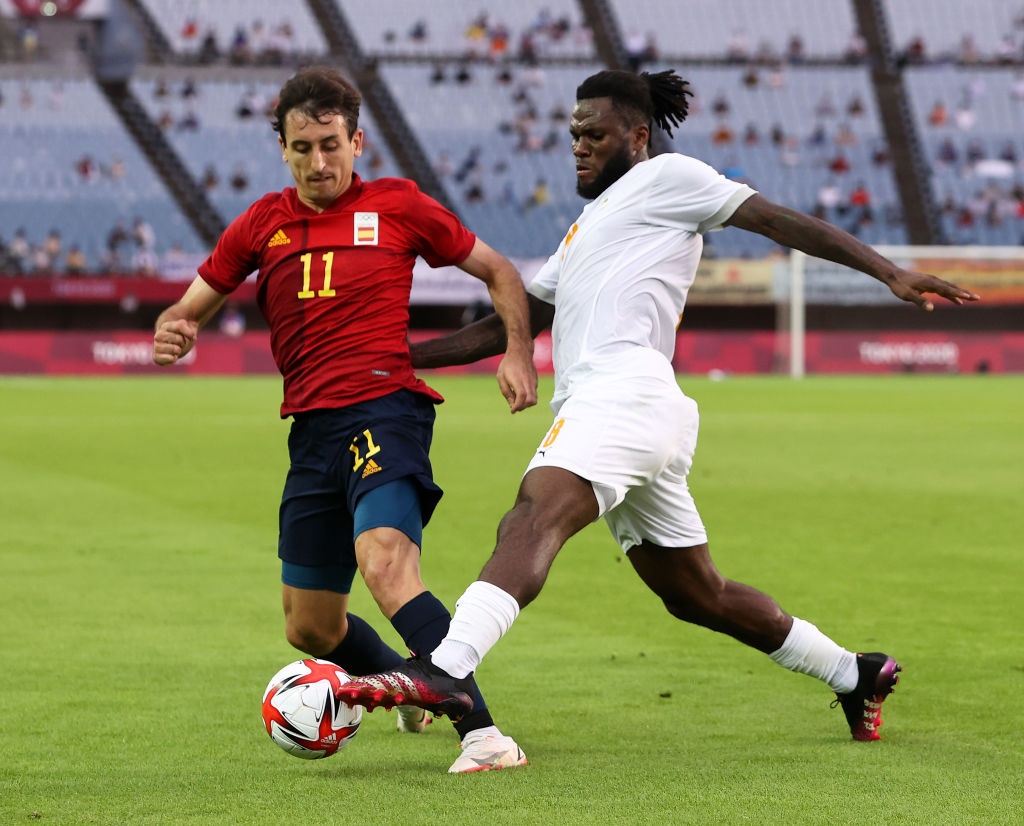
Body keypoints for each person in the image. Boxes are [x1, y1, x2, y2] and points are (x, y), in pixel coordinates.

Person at [338, 69, 980, 745]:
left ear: (638, 136)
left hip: (622, 394)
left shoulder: (669, 177)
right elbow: (513, 322)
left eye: (595, 134)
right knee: (697, 594)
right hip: (634, 411)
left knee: (534, 513)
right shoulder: (585, 227)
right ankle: (854, 672)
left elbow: (774, 219)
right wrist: (400, 358)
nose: (579, 146)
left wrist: (889, 272)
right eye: (574, 134)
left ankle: (445, 666)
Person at [151, 66, 537, 774]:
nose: (318, 162)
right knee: (310, 626)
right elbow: (189, 306)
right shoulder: (261, 223)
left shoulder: (398, 205)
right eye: (302, 148)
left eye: (331, 145)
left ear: (357, 142)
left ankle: (484, 735)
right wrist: (174, 327)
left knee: (385, 561)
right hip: (311, 432)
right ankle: (409, 684)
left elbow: (500, 271)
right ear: (283, 148)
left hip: (385, 410)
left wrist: (518, 352)